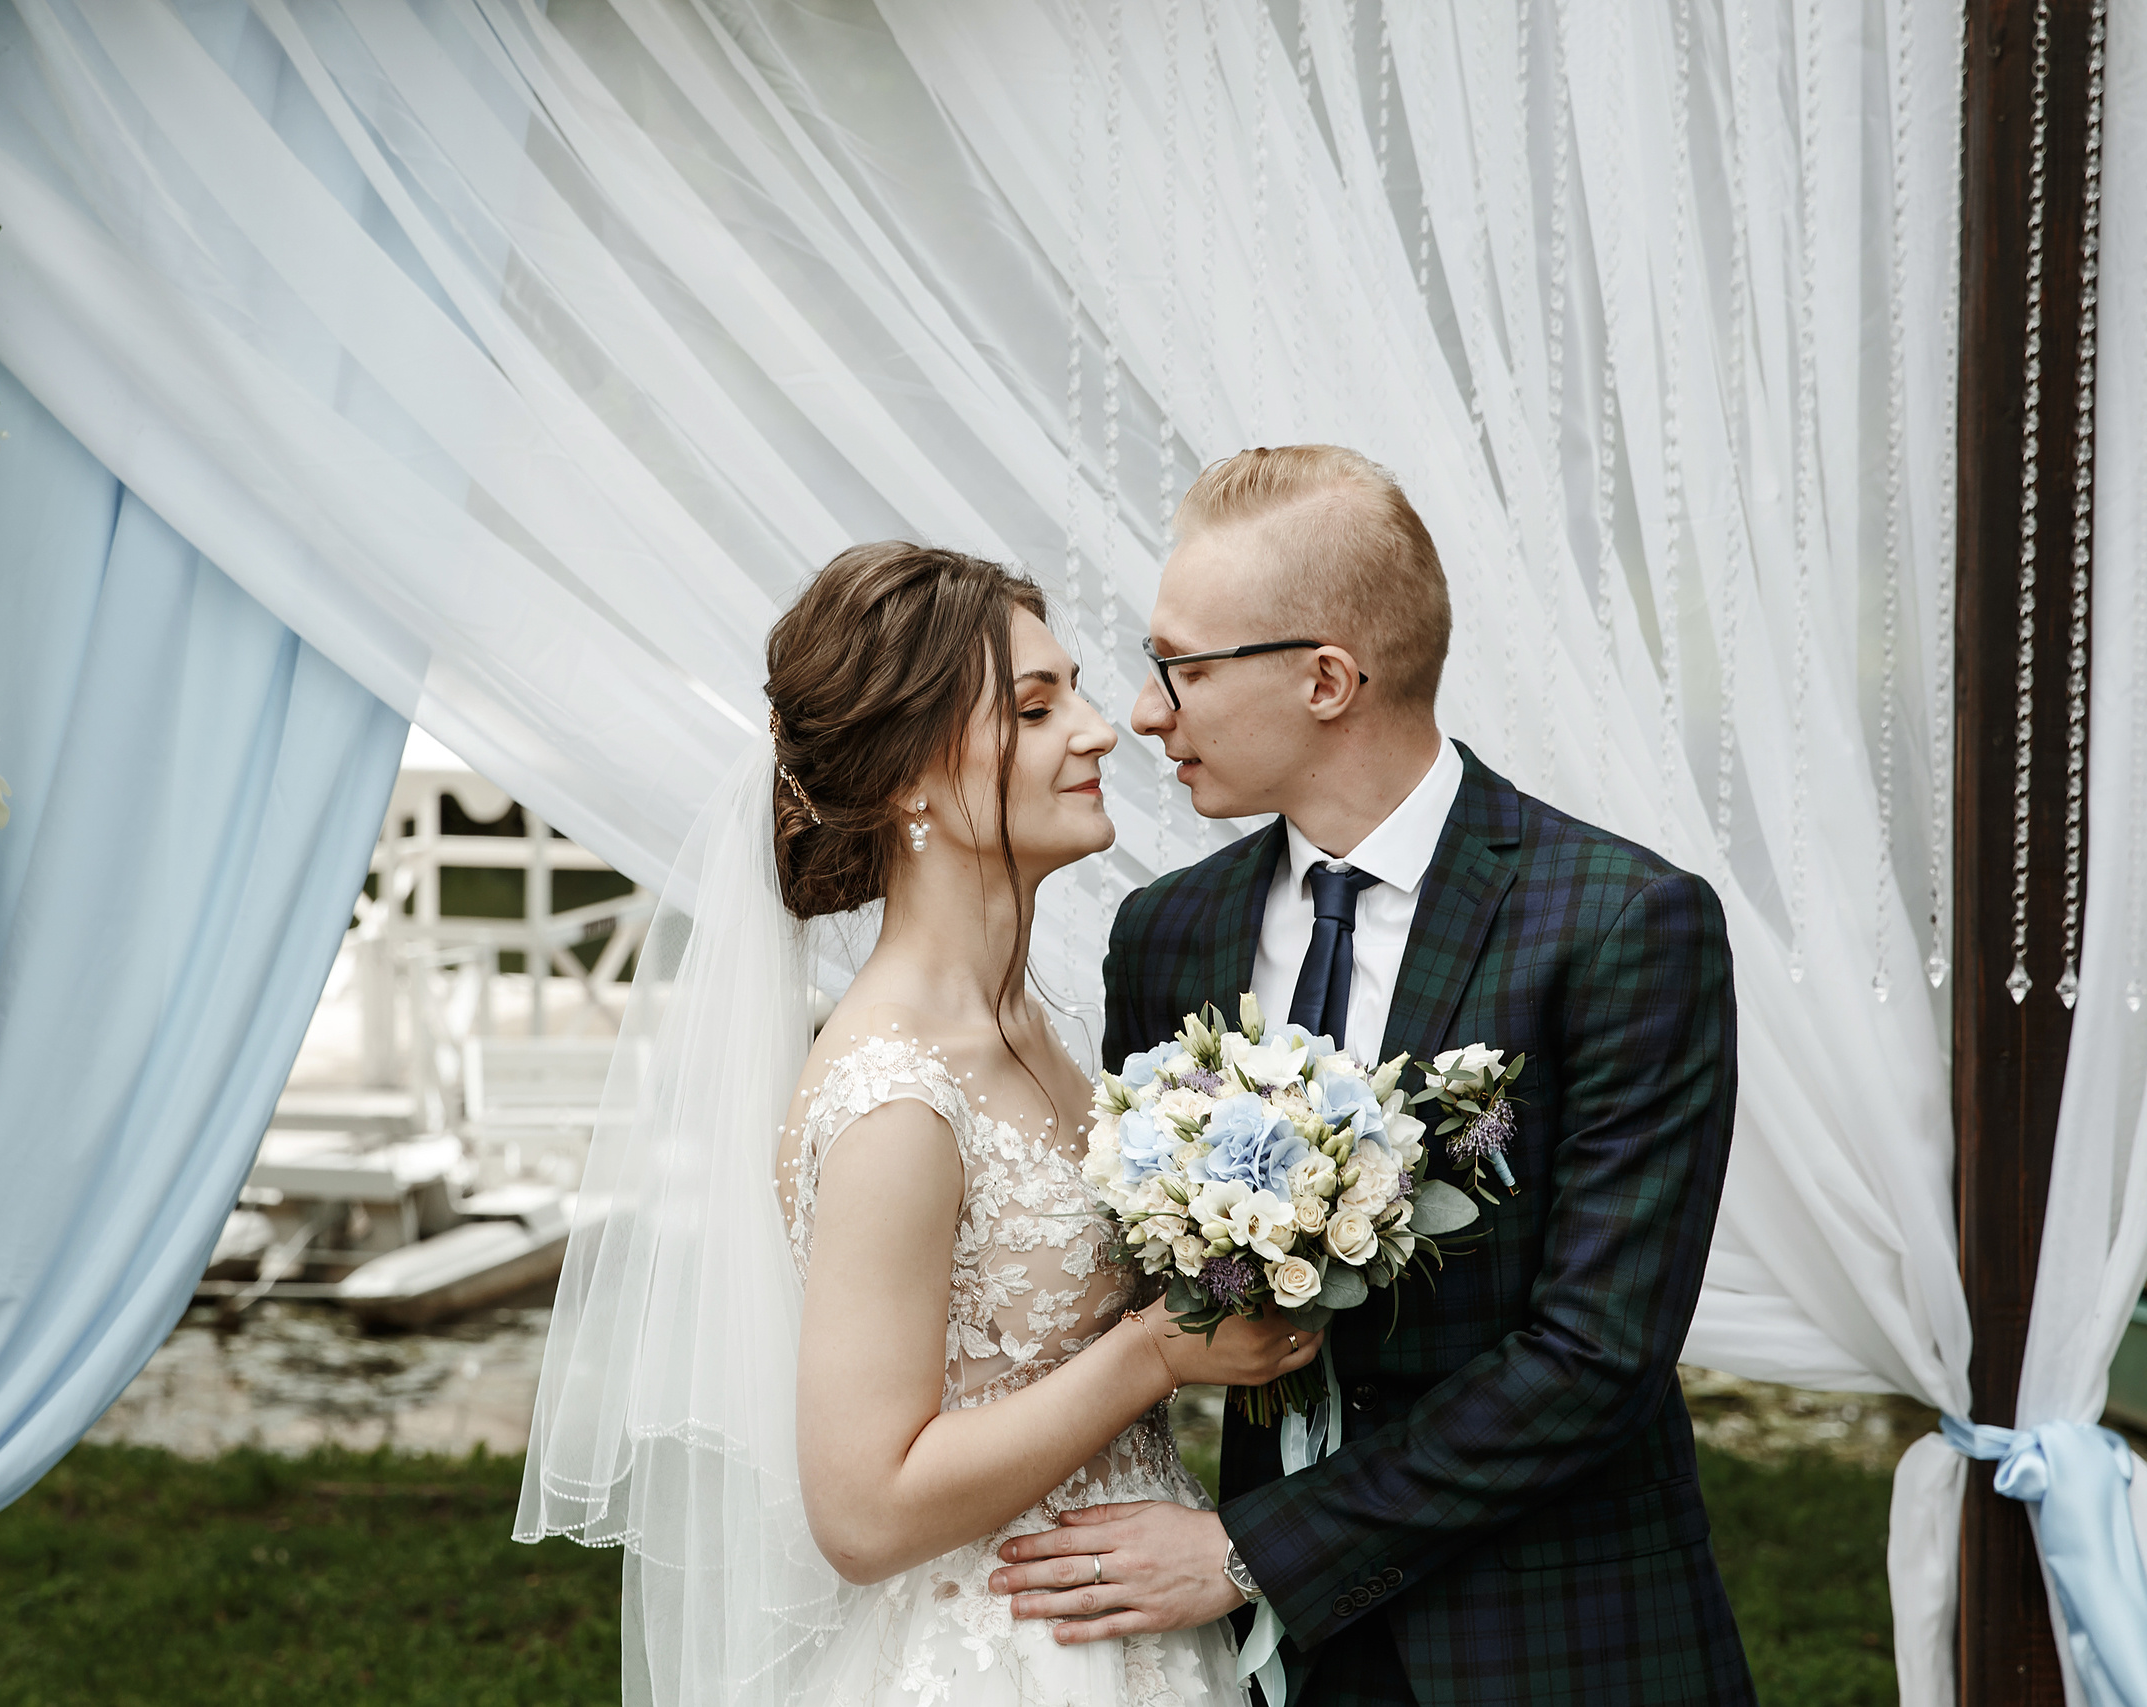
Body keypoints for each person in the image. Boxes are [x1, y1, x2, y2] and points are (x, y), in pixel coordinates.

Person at [985, 447, 1756, 1705]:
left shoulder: (1622, 923)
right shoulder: (1167, 934)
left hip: (1555, 1638)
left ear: (1326, 678)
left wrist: (1253, 1553)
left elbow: (1597, 1358)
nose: (1140, 710)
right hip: (1269, 1668)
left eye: (1179, 666)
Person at [519, 541, 1308, 1705]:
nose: (1098, 730)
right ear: (906, 782)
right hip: (1000, 1656)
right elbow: (863, 1511)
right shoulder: (894, 1095)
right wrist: (1154, 1354)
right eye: (1036, 710)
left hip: (1133, 1623)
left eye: (1075, 691)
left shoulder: (1035, 1027)